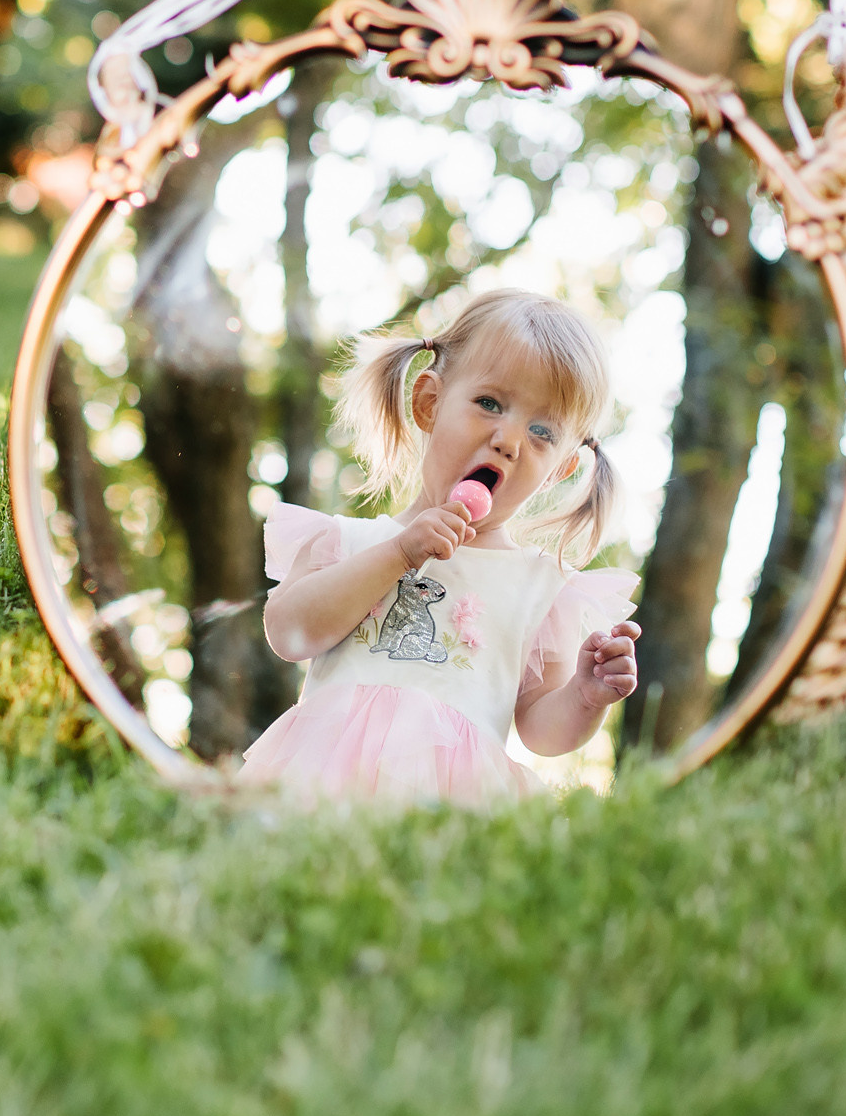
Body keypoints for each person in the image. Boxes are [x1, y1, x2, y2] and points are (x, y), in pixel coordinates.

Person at [241, 289, 642, 806]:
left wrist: (586, 697)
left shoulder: (539, 585)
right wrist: (398, 553)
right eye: (489, 403)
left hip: (458, 804)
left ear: (560, 471)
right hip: (323, 786)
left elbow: (542, 731)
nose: (508, 440)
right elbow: (289, 632)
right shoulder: (351, 542)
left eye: (542, 432)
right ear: (429, 402)